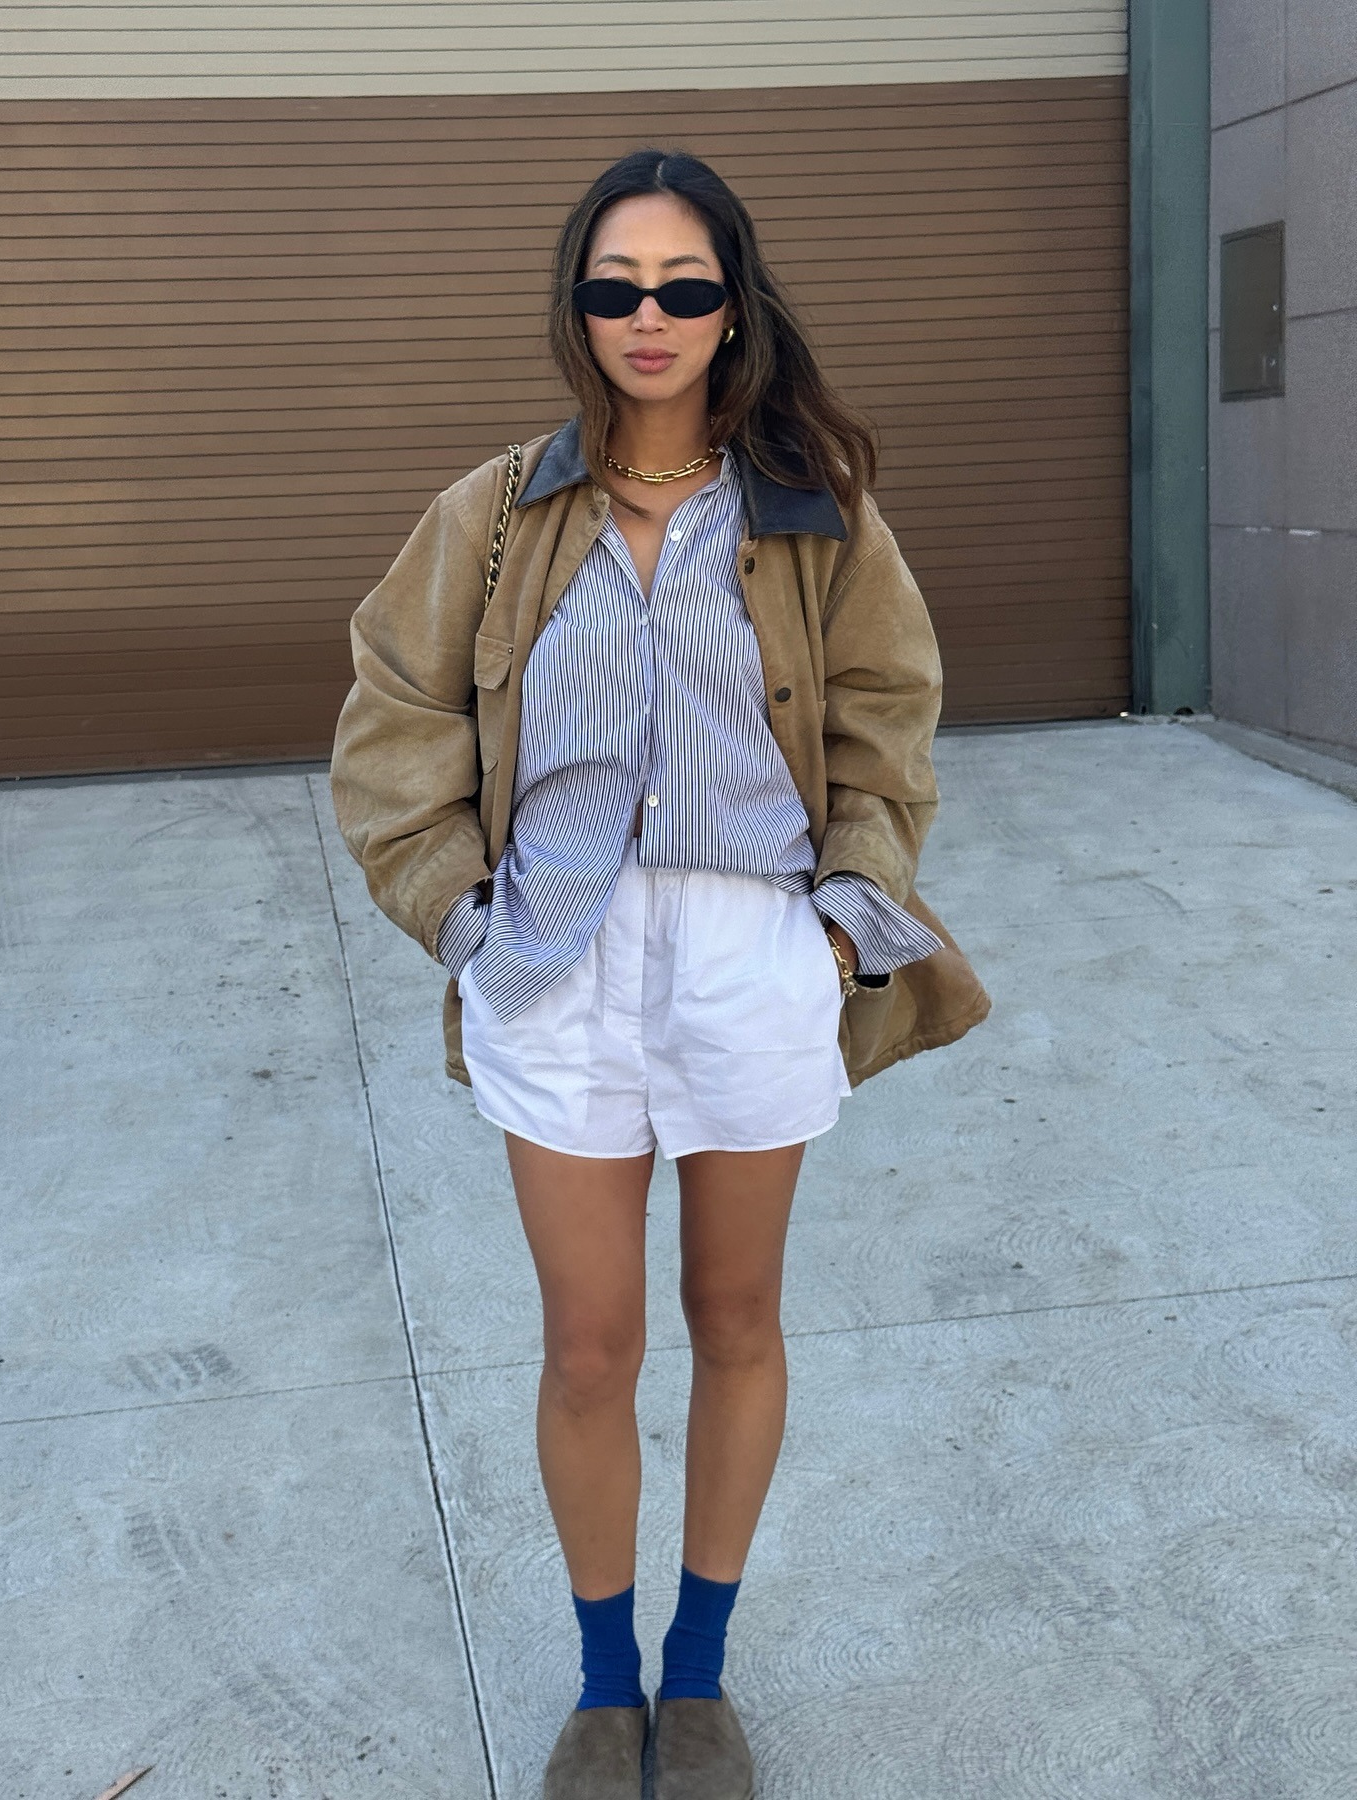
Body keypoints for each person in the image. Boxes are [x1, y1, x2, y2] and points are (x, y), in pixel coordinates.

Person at [330, 148, 988, 1800]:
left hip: (750, 949)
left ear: (731, 303)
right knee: (589, 1349)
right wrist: (459, 919)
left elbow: (886, 714)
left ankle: (698, 1681)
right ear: (576, 303)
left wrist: (844, 911)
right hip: (553, 953)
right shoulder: (494, 515)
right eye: (616, 285)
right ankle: (601, 1681)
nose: (650, 316)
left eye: (685, 285)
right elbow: (394, 716)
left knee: (739, 1314)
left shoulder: (808, 510)